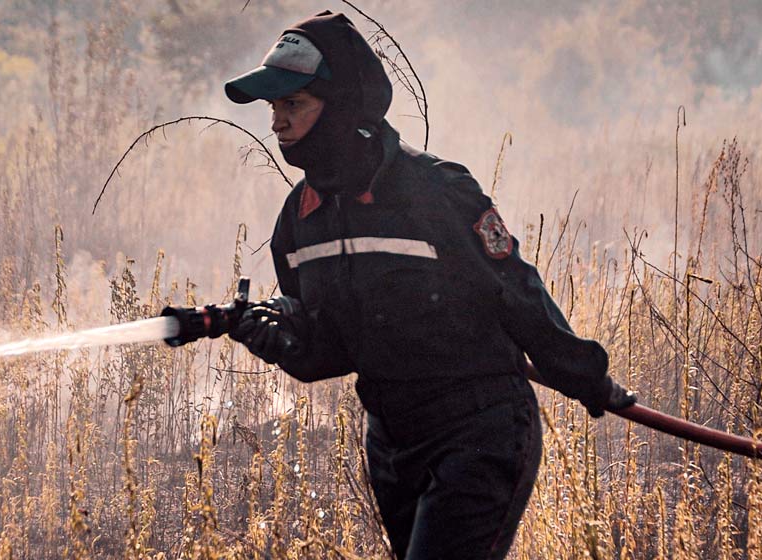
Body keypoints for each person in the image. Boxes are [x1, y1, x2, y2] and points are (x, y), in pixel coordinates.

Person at [225, 11, 636, 560]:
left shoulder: (434, 190)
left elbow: (516, 293)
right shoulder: (300, 221)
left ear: (342, 106)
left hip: (479, 433)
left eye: (292, 104)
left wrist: (586, 375)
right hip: (391, 445)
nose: (277, 122)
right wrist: (282, 343)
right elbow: (333, 351)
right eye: (273, 107)